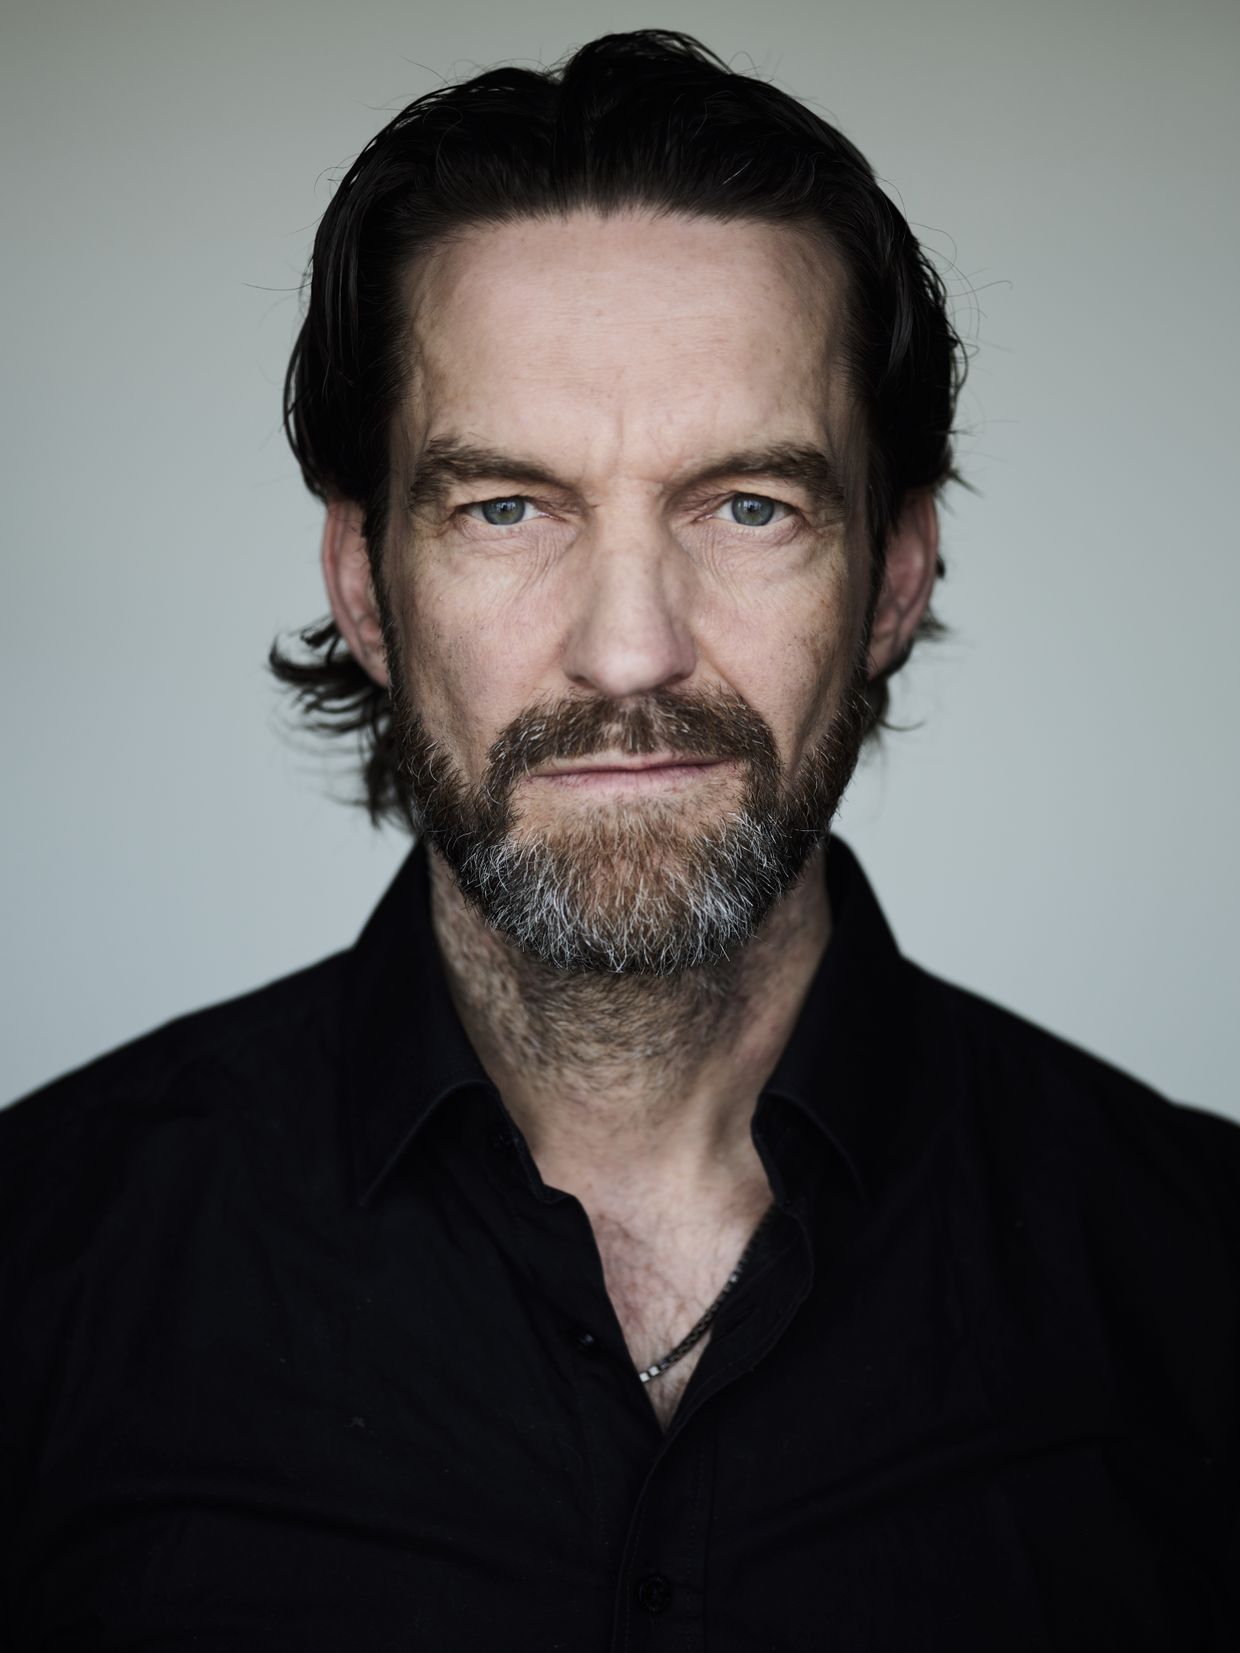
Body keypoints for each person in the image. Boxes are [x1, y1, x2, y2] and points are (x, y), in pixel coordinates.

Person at [2, 27, 1236, 1650]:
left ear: (893, 574)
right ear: (365, 585)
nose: (632, 650)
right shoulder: (42, 1261)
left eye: (749, 505)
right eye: (508, 507)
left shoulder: (1196, 1281)